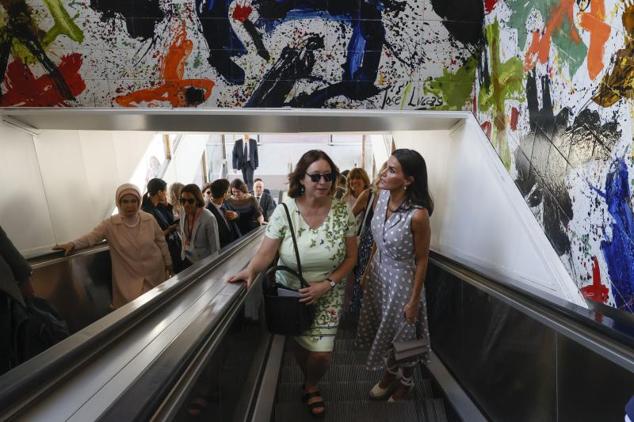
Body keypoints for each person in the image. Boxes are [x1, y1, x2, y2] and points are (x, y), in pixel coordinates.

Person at [228, 150, 357, 417]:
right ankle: (308, 381)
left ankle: (310, 385)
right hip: (292, 293)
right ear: (302, 178)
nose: (323, 182)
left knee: (321, 354)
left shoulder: (343, 212)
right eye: (316, 176)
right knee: (300, 341)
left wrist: (328, 284)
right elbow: (266, 251)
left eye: (328, 176)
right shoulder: (285, 211)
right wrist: (250, 270)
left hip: (328, 291)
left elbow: (352, 257)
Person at [355, 149, 433, 401]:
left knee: (405, 334)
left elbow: (422, 260)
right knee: (385, 329)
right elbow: (378, 241)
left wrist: (413, 301)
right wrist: (367, 271)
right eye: (385, 167)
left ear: (408, 180)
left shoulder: (418, 215)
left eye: (391, 170)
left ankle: (405, 381)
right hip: (379, 275)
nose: (383, 174)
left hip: (402, 280)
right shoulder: (380, 198)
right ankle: (389, 374)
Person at [54, 184, 172, 309]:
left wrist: (168, 262)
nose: (130, 205)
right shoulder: (110, 224)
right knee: (133, 312)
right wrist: (73, 244)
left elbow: (161, 242)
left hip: (154, 273)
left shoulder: (148, 219)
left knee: (158, 309)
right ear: (118, 203)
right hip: (128, 278)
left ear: (139, 202)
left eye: (133, 201)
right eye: (125, 201)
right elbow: (91, 237)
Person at [142, 178, 185, 274]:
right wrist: (169, 230)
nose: (166, 194)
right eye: (165, 191)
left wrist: (167, 206)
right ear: (159, 192)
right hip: (161, 252)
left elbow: (169, 220)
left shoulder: (158, 207)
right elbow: (151, 236)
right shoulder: (147, 211)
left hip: (172, 247)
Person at [179, 184, 220, 267]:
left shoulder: (209, 218)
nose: (186, 204)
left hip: (203, 263)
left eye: (190, 201)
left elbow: (215, 248)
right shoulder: (183, 213)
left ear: (197, 200)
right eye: (183, 200)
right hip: (186, 259)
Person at [207, 179, 240, 248]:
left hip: (236, 243)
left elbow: (238, 213)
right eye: (229, 191)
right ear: (225, 195)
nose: (231, 193)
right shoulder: (208, 212)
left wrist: (235, 215)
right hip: (224, 250)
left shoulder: (226, 203)